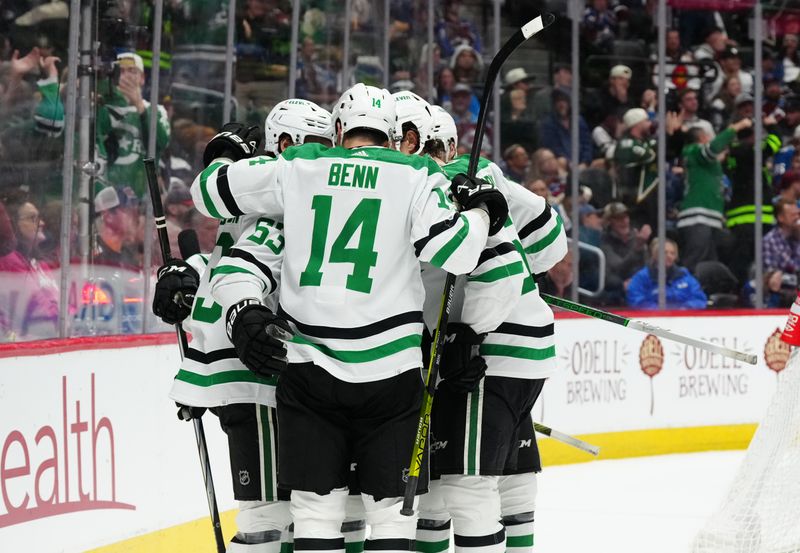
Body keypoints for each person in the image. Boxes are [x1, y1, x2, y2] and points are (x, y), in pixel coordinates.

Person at [197, 84, 508, 553]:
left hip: (308, 371)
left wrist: (223, 157)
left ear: (338, 129)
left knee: (316, 516)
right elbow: (458, 253)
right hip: (391, 373)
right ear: (393, 133)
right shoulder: (418, 172)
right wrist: (482, 210)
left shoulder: (299, 166)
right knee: (389, 516)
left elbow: (209, 195)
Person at [153, 98, 337, 553]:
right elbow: (241, 260)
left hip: (249, 365)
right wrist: (191, 274)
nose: (325, 154)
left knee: (290, 509)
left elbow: (231, 252)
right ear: (286, 143)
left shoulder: (256, 189)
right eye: (316, 144)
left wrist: (189, 270)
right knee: (269, 514)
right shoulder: (284, 190)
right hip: (256, 368)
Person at [416, 104, 567, 553]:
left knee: (464, 485)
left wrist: (468, 329)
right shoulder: (485, 173)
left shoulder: (434, 184)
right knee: (506, 479)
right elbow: (550, 239)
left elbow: (498, 268)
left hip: (487, 350)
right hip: (526, 344)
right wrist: (527, 277)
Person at [677, 118, 751, 272]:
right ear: (702, 138)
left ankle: (707, 294)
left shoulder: (702, 160)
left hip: (711, 218)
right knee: (695, 260)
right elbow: (713, 148)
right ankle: (682, 291)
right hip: (697, 216)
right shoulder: (694, 150)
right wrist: (735, 127)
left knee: (713, 264)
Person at [96, 52, 170, 197]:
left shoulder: (156, 110)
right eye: (121, 71)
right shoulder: (104, 107)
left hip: (142, 194)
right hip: (109, 192)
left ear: (142, 78)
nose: (126, 75)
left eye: (132, 71)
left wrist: (139, 106)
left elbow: (161, 142)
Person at [626, 238, 707, 309]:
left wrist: (684, 309)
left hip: (683, 319)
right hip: (653, 320)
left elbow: (699, 299)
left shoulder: (684, 275)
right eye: (665, 252)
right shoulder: (642, 277)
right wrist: (659, 312)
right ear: (655, 255)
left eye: (672, 253)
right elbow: (636, 300)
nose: (669, 256)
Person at [600, 202, 651, 306]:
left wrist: (641, 247)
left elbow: (647, 266)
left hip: (639, 284)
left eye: (625, 217)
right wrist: (637, 248)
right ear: (610, 221)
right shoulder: (605, 240)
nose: (624, 221)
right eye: (618, 218)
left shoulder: (636, 236)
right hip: (617, 287)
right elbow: (618, 268)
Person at [537, 87, 592, 168]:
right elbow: (553, 148)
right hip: (562, 163)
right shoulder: (548, 123)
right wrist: (569, 163)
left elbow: (587, 144)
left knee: (600, 163)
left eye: (564, 100)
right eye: (558, 101)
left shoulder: (579, 121)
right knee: (561, 161)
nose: (561, 104)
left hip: (581, 164)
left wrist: (585, 162)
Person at [763, 198, 800, 275]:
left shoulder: (796, 236)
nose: (797, 218)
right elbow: (770, 274)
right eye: (793, 215)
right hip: (782, 285)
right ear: (780, 218)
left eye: (798, 214)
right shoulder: (769, 241)